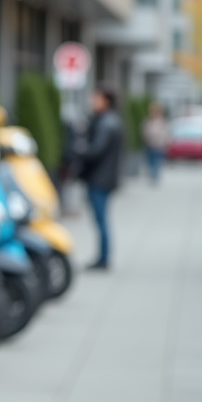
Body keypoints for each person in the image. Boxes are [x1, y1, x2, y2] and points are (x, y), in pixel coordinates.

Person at [73, 85, 124, 269]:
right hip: (104, 178)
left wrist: (80, 148)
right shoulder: (110, 120)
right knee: (101, 219)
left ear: (106, 101)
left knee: (101, 220)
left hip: (99, 179)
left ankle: (103, 259)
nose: (92, 101)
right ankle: (103, 257)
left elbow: (96, 151)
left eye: (96, 98)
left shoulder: (105, 123)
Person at [141, 102, 169, 184]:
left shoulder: (162, 121)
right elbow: (144, 131)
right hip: (149, 144)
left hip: (159, 145)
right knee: (150, 161)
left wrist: (164, 141)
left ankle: (155, 175)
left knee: (157, 161)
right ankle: (152, 174)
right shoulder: (148, 121)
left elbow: (166, 133)